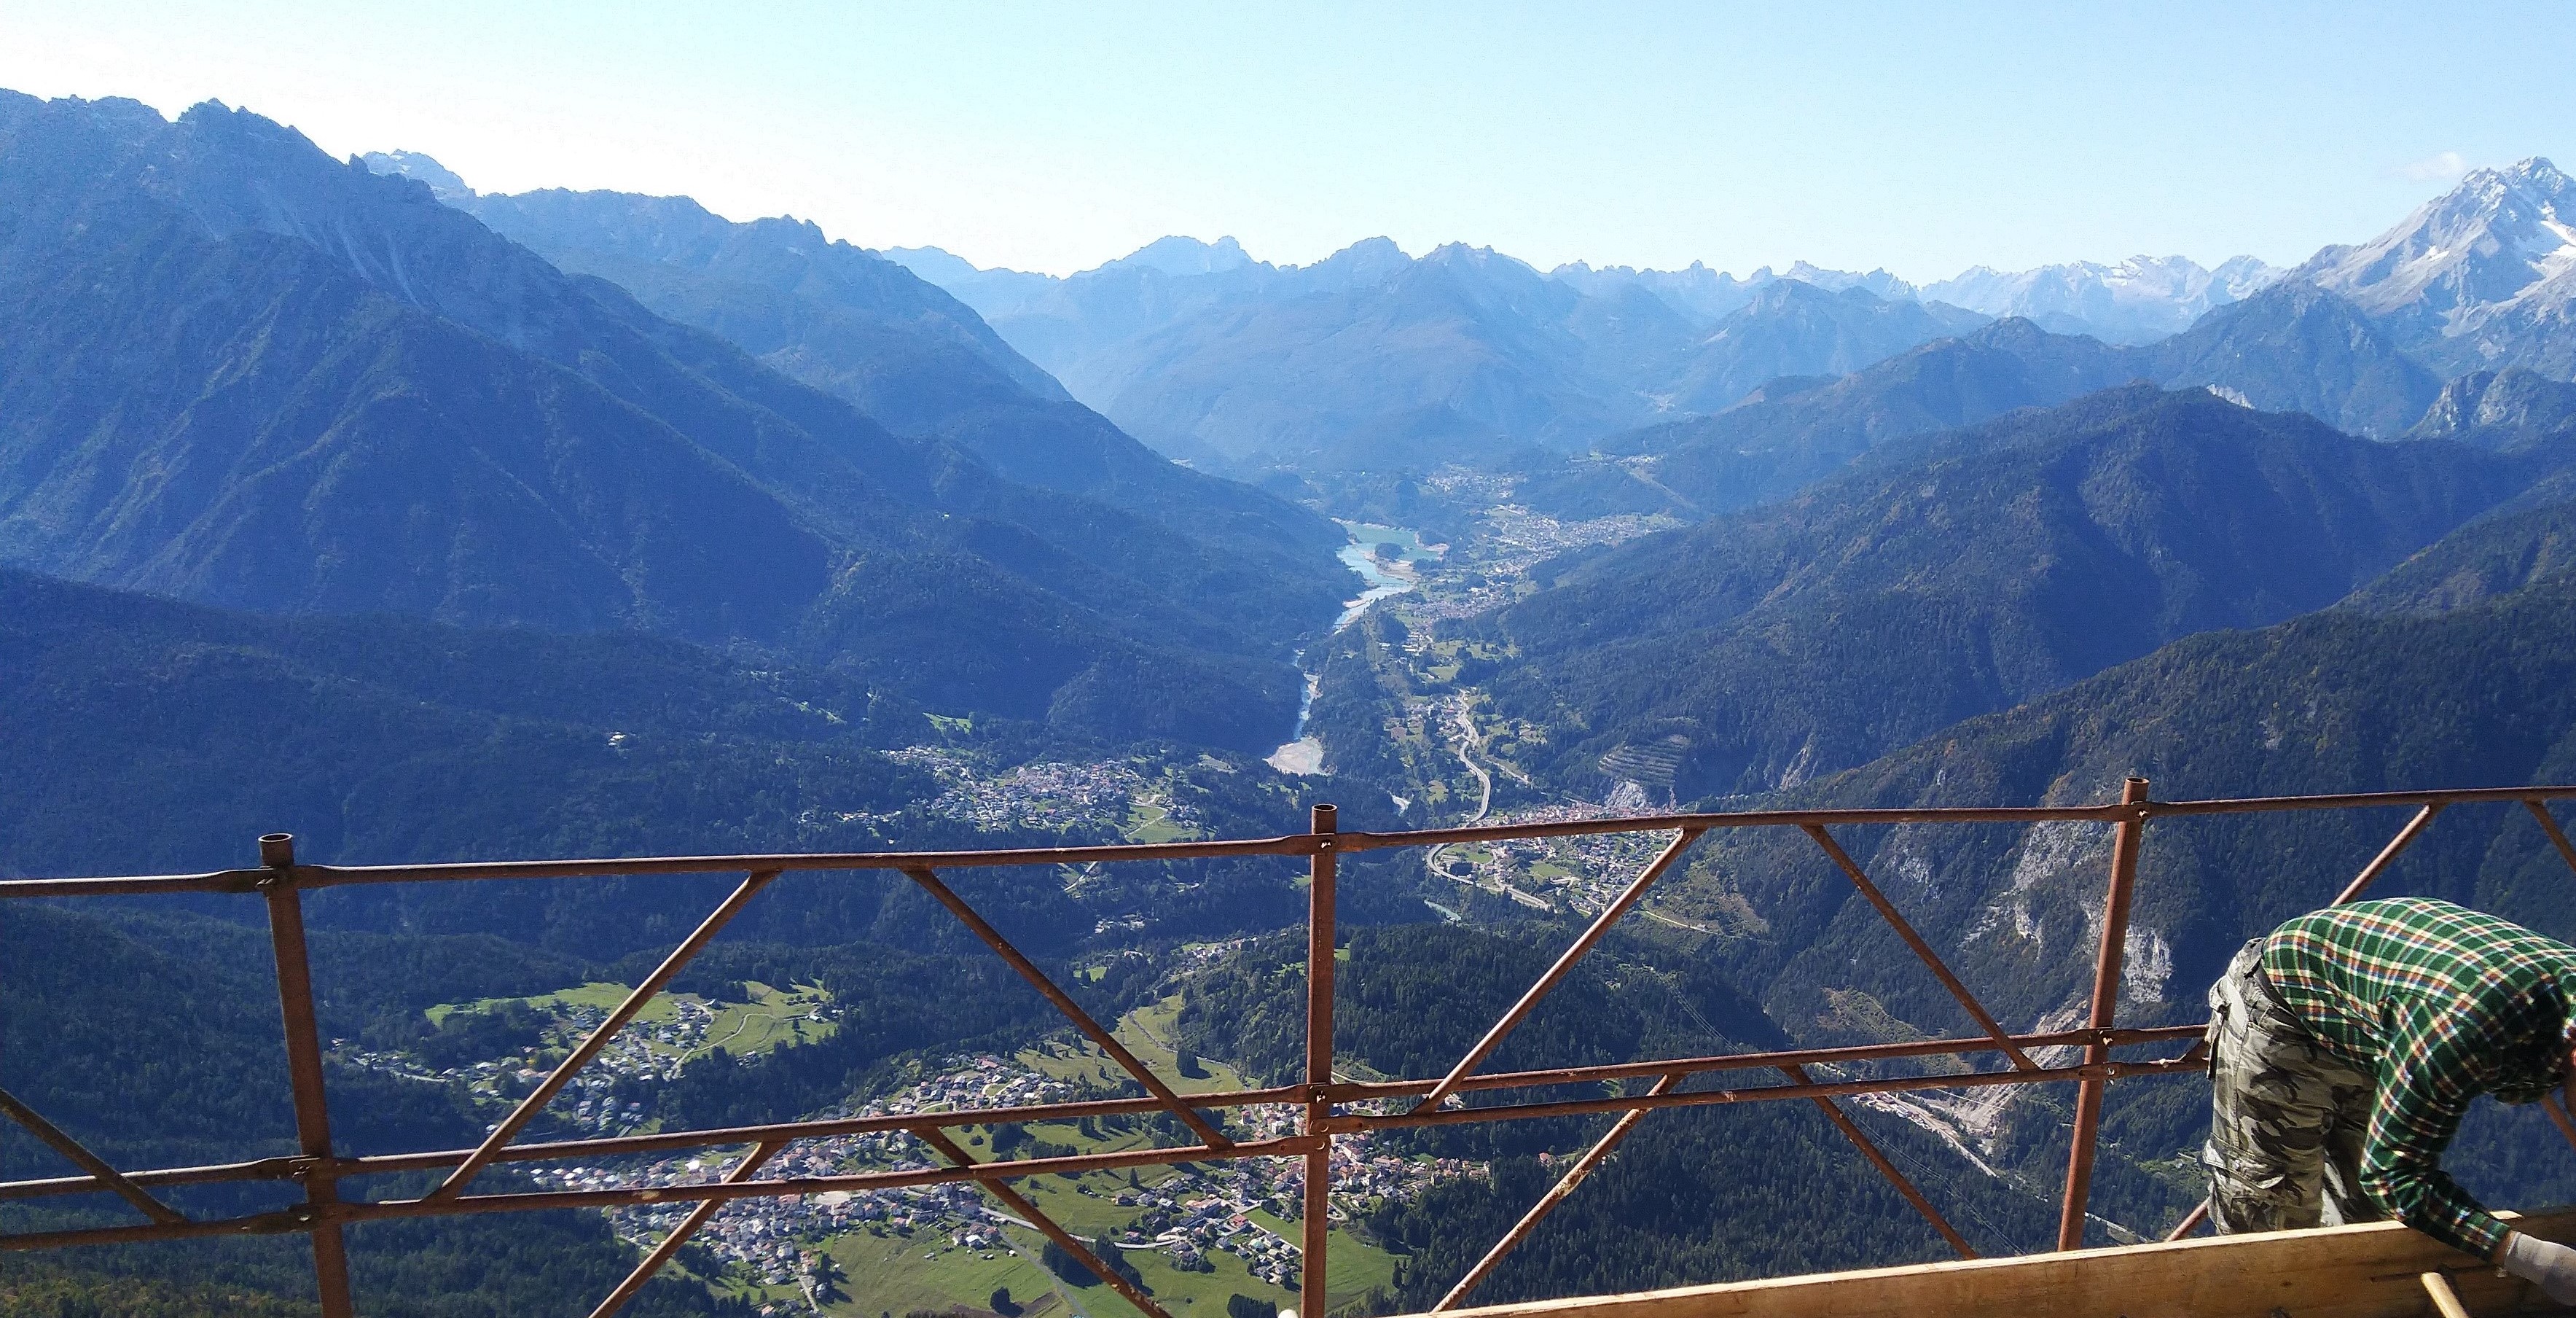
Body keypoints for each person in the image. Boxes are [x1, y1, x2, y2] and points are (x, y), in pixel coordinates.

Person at [2204, 897, 2576, 1301]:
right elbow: (2395, 1178)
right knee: (2269, 1226)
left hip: (2378, 1025)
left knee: (2377, 1232)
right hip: (2284, 1010)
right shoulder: (2464, 1027)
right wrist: (2538, 1260)